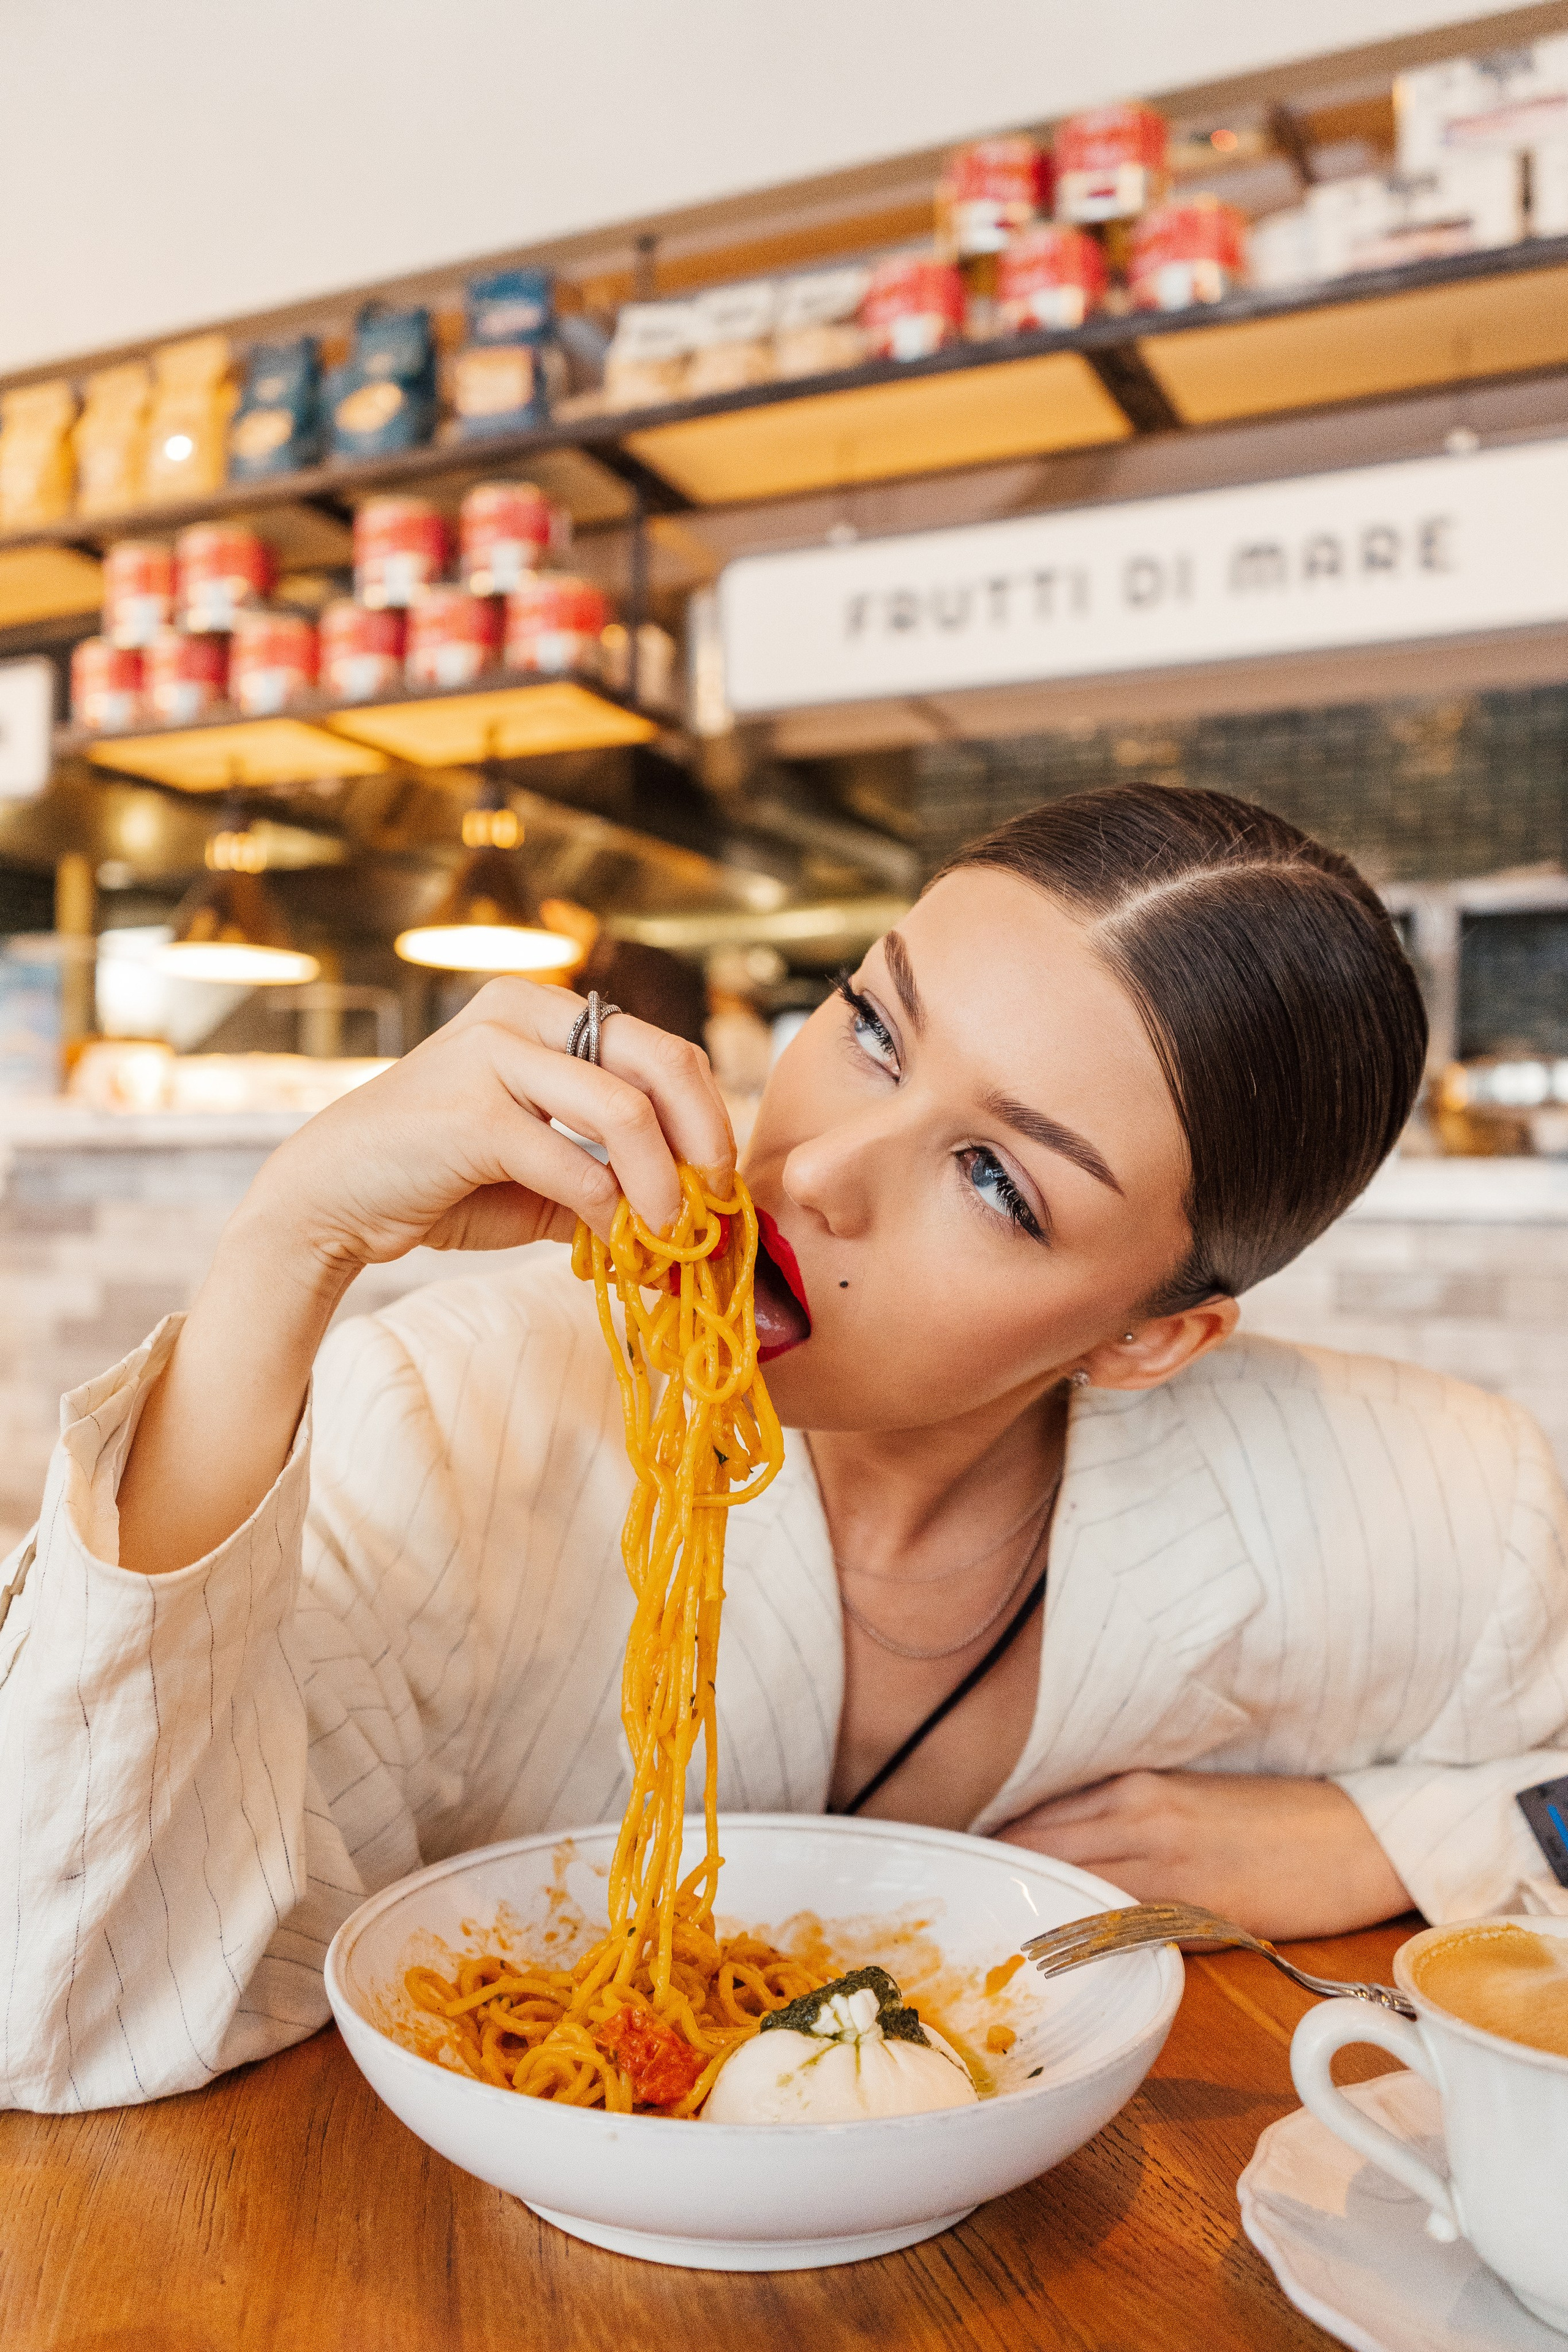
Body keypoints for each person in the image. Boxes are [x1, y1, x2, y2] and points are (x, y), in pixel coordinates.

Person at [3, 783, 1565, 2116]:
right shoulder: (448, 1415)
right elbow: (54, 1996)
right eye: (872, 1027)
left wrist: (1379, 1840)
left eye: (996, 1181)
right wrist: (285, 1248)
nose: (815, 1170)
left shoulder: (1429, 1500)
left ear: (1146, 1338)